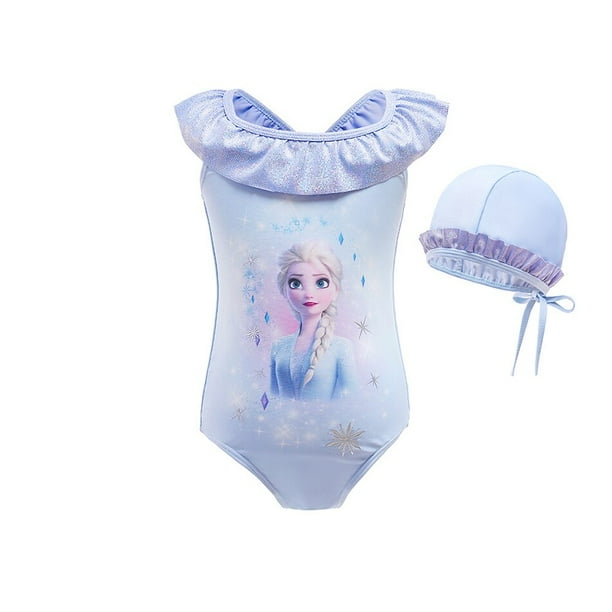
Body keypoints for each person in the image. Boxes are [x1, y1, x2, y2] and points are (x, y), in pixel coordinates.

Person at [270, 241, 358, 401]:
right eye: (296, 283)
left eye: (321, 283)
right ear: (284, 290)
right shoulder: (278, 347)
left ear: (335, 290)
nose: (309, 293)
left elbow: (351, 401)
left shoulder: (342, 348)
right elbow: (272, 397)